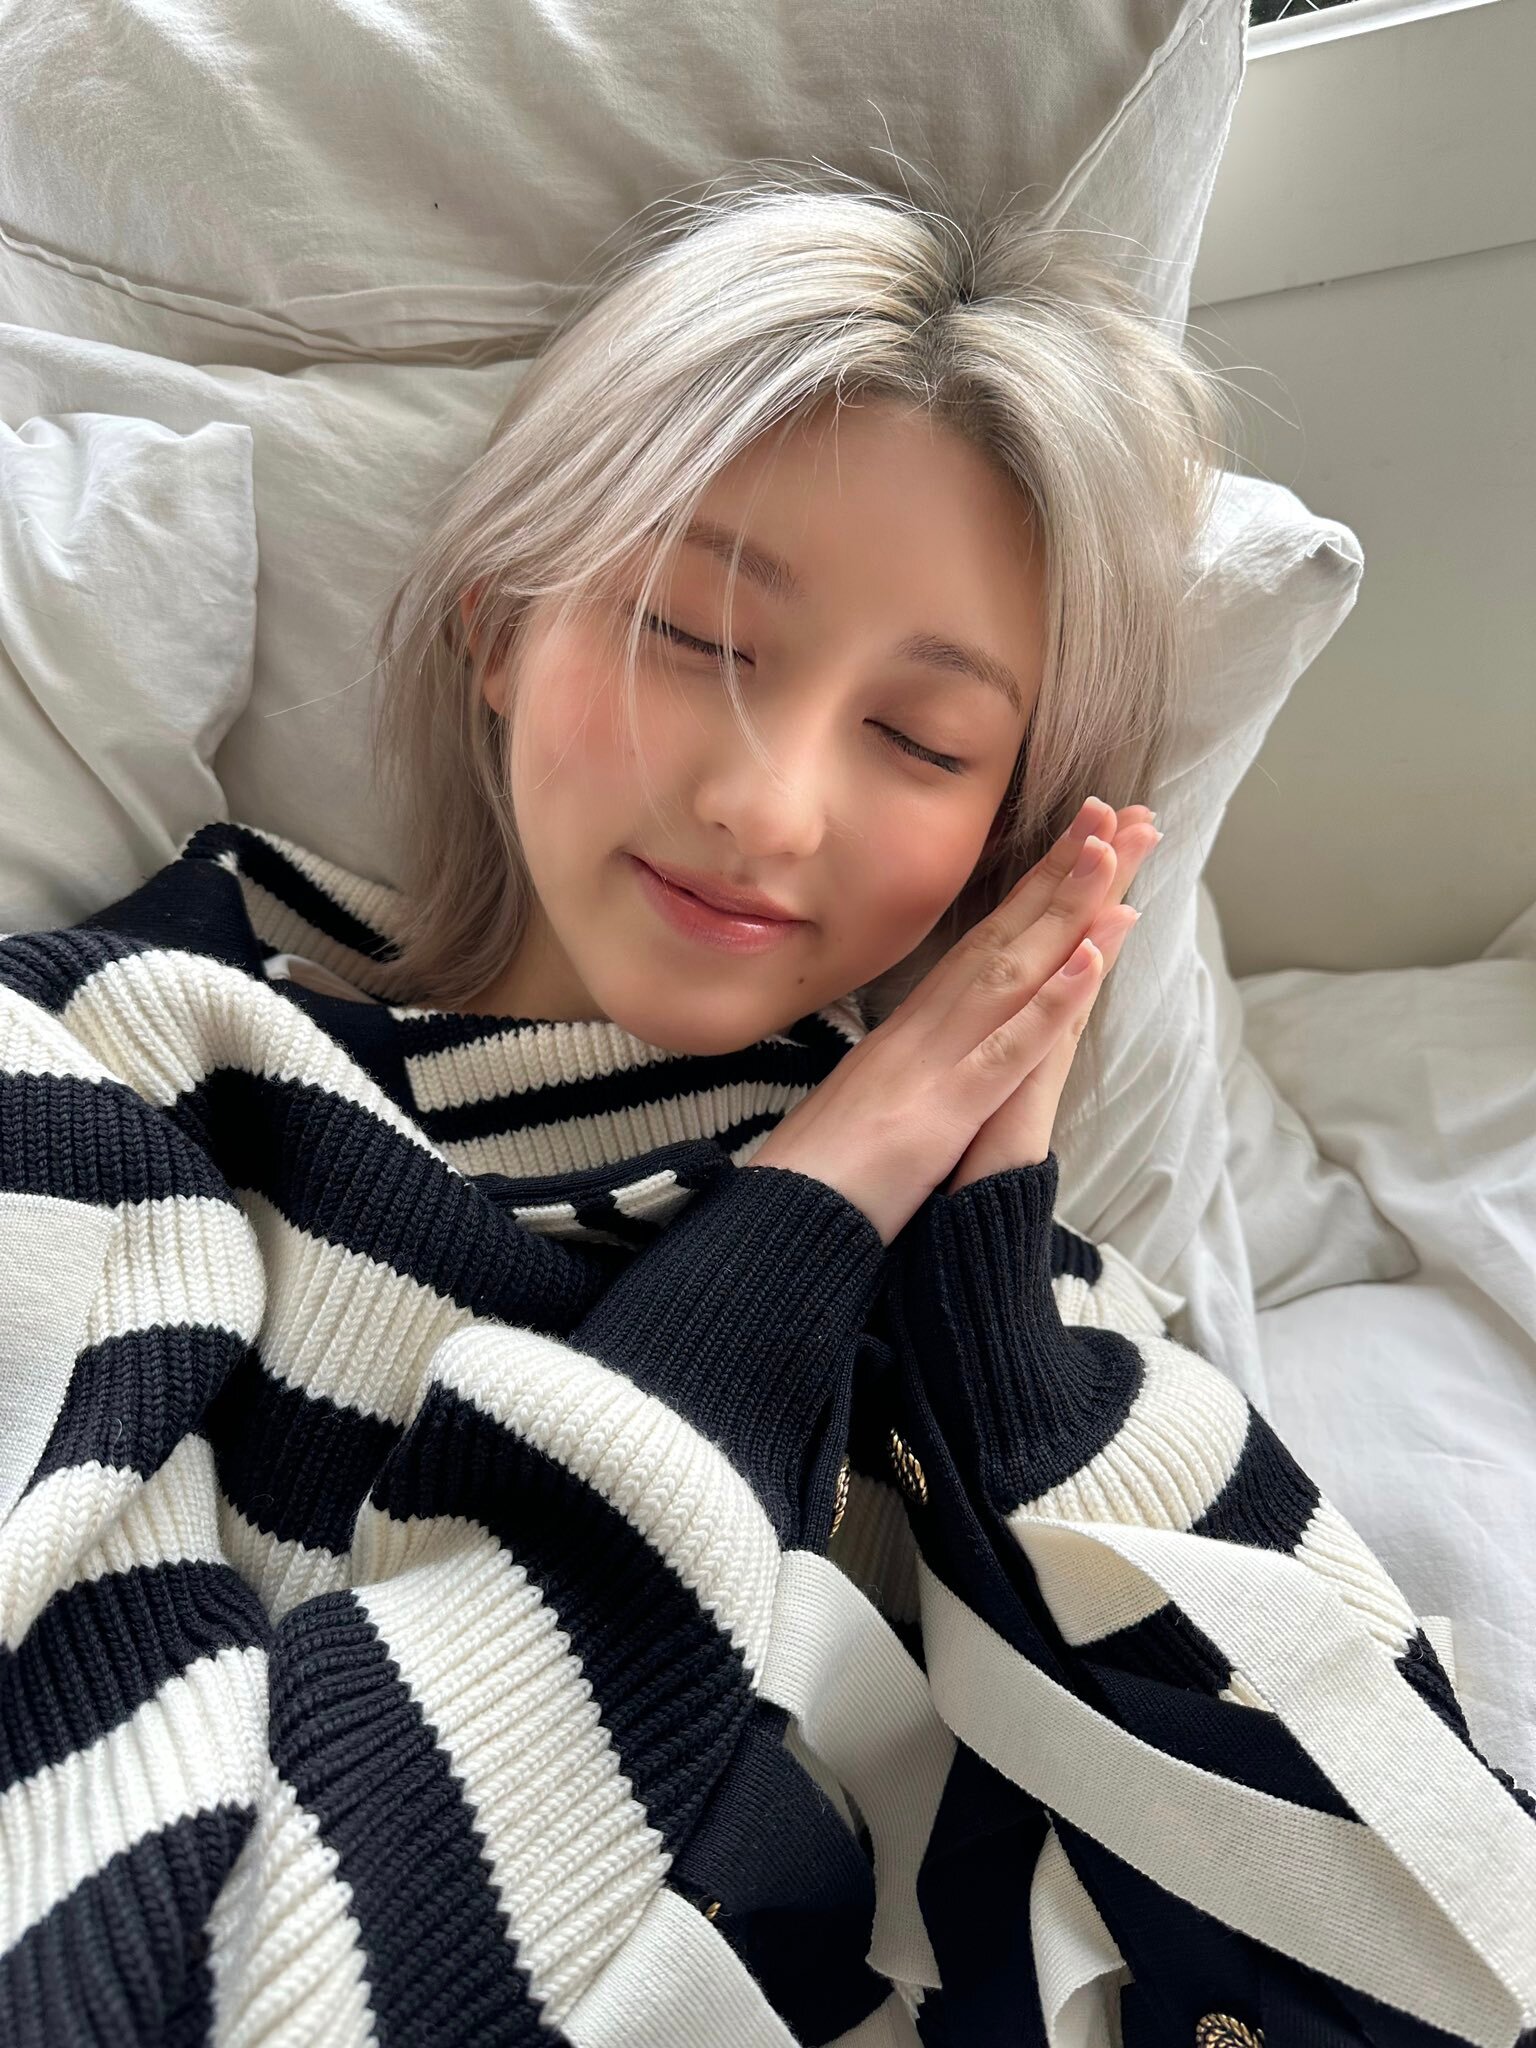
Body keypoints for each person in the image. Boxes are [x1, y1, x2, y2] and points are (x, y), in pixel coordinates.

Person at [1, 170, 1531, 2048]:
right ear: (502, 622)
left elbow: (1458, 1970)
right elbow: (143, 1990)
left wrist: (977, 1302)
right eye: (698, 635)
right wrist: (796, 1230)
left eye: (921, 740)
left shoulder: (1020, 1314)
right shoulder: (116, 1066)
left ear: (1003, 845)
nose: (772, 805)